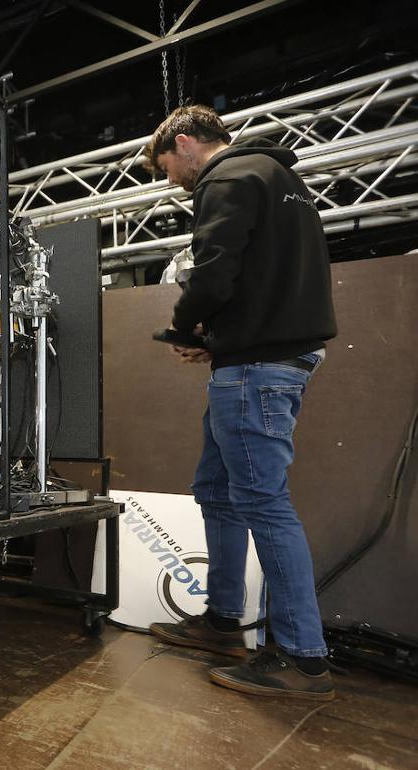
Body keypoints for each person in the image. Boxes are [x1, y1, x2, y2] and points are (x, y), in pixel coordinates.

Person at [142, 105, 338, 700]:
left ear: (184, 142)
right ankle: (224, 618)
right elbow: (261, 279)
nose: (171, 179)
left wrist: (184, 328)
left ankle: (303, 661)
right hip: (260, 358)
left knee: (263, 504)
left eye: (167, 166)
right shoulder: (283, 181)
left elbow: (213, 271)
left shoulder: (225, 178)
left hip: (257, 371)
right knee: (218, 490)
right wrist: (219, 339)